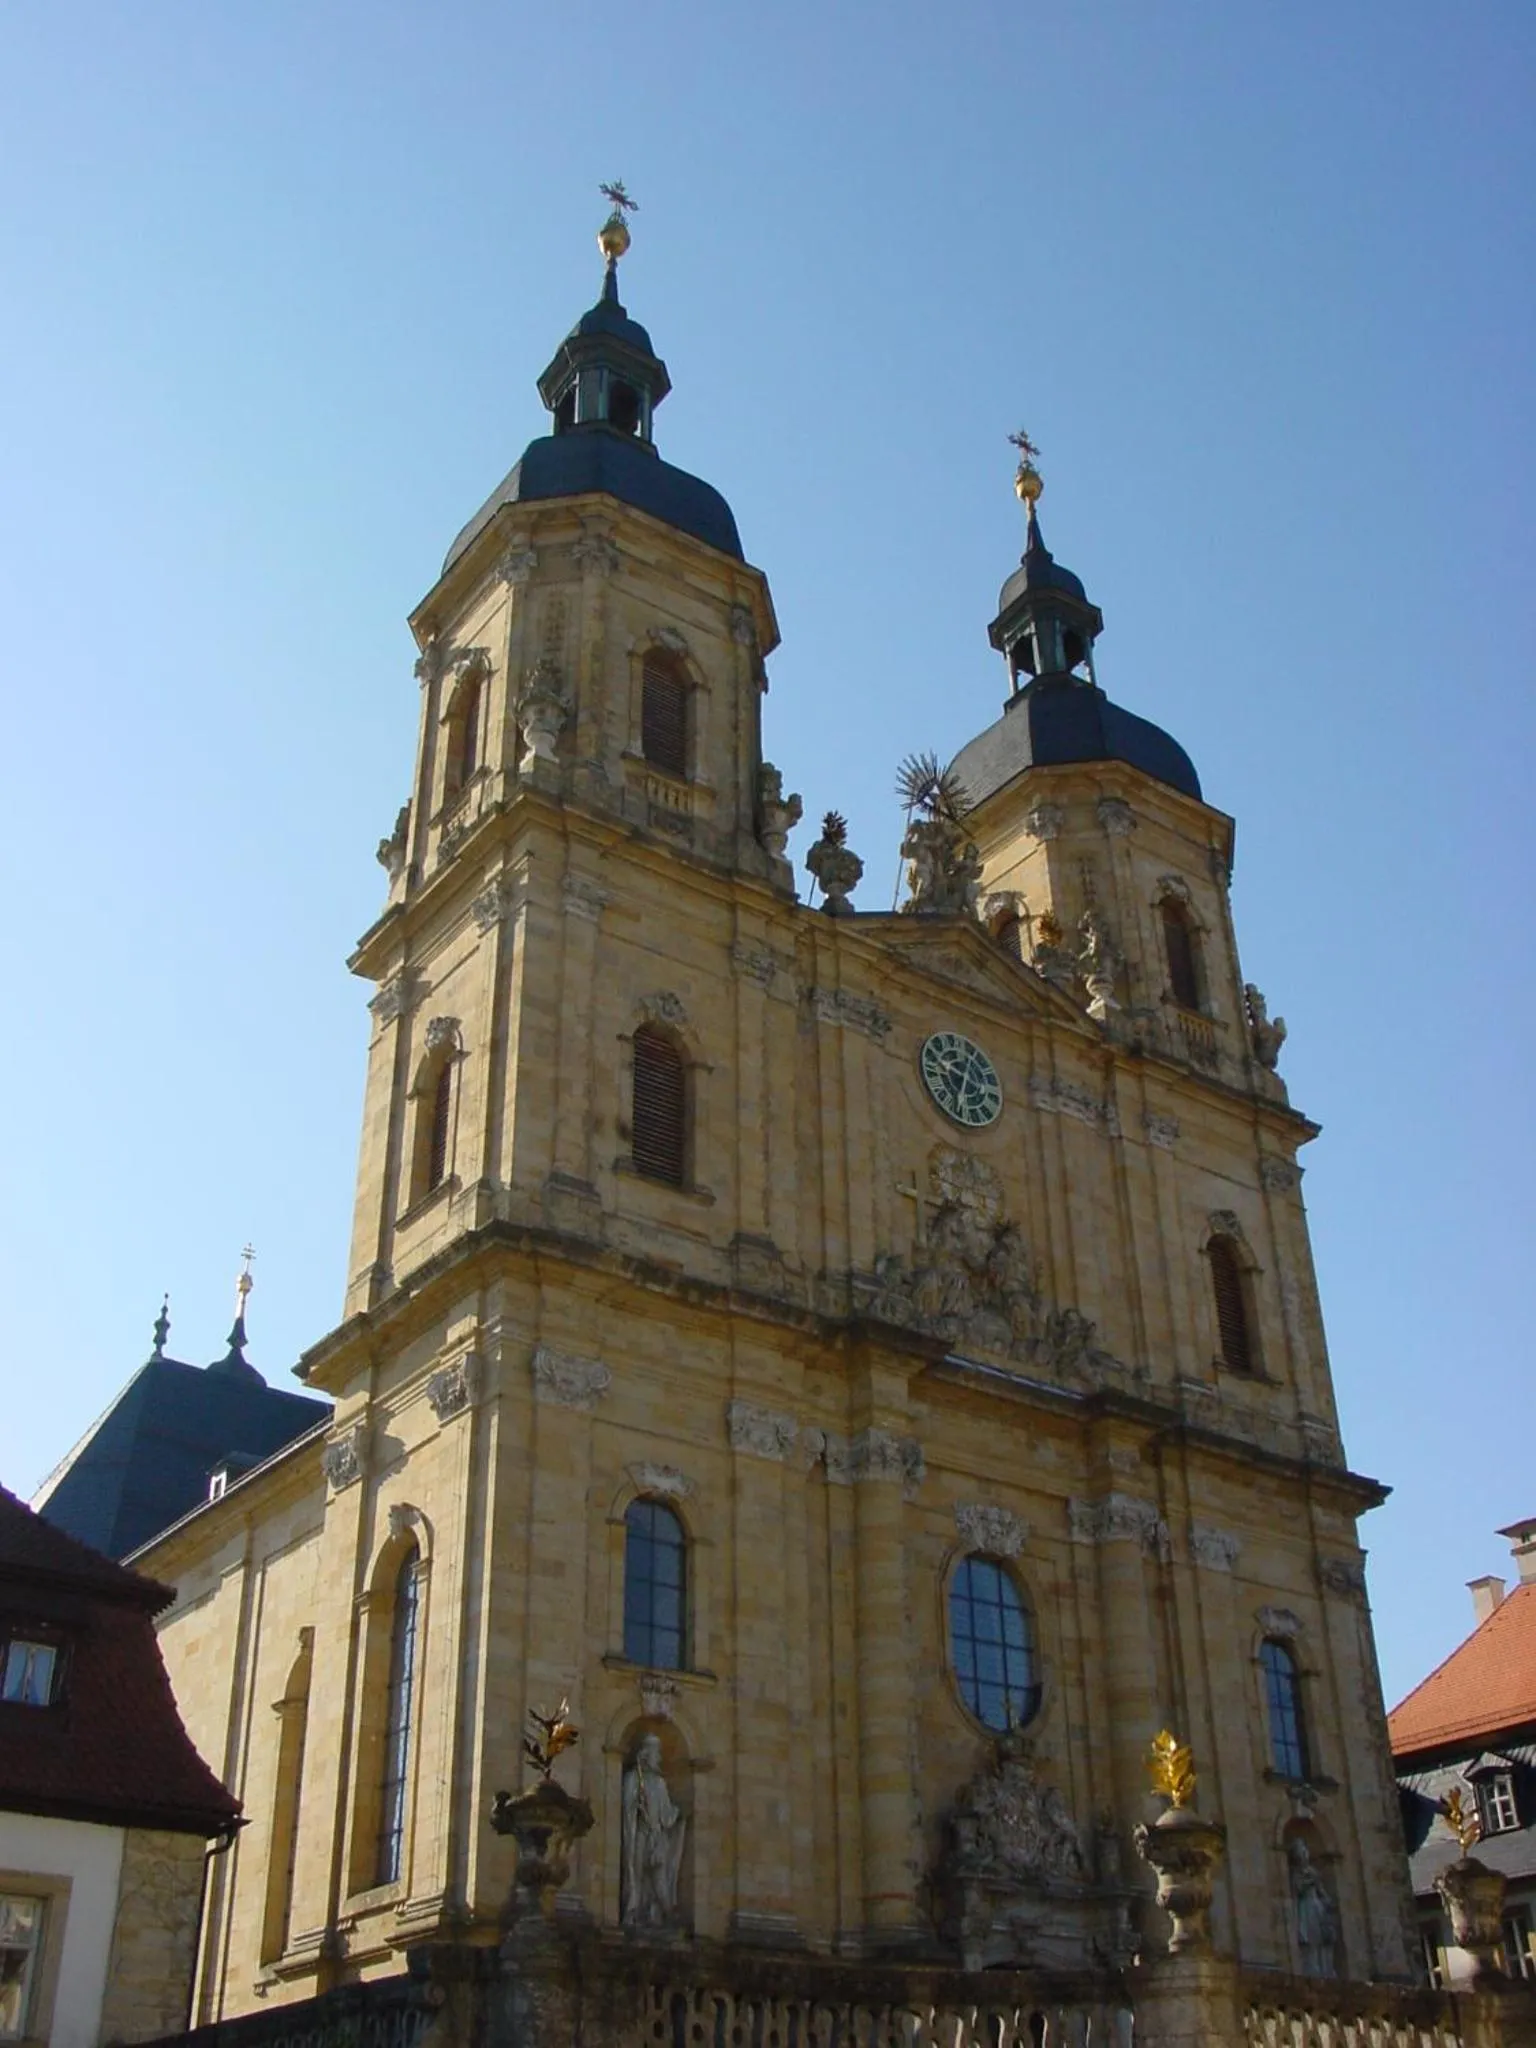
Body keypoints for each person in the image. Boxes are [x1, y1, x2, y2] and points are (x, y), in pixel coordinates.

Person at [622, 1733, 687, 1927]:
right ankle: (634, 1911)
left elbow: (667, 1814)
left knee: (659, 1875)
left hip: (657, 1836)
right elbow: (627, 1805)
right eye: (655, 1753)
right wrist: (635, 1806)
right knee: (637, 1871)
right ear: (645, 1754)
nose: (658, 1757)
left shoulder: (660, 1783)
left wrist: (678, 1814)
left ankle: (665, 1912)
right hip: (640, 1833)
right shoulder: (633, 1778)